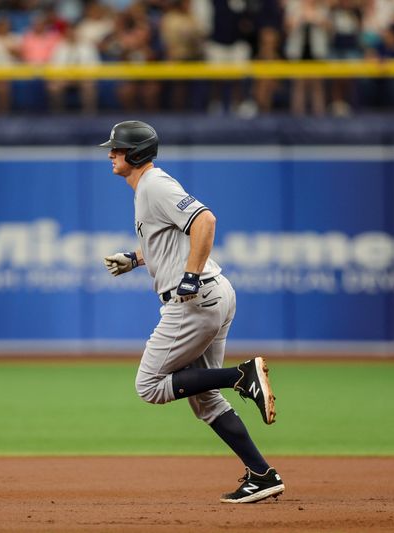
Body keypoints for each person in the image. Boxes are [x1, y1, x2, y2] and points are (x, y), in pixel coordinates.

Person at [100, 120, 284, 504]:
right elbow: (168, 240)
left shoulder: (154, 184)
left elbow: (205, 220)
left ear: (134, 155)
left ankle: (242, 375)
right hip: (213, 296)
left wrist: (190, 276)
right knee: (204, 397)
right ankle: (262, 475)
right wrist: (135, 259)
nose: (110, 154)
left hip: (193, 301)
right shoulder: (145, 189)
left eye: (117, 149)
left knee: (148, 386)